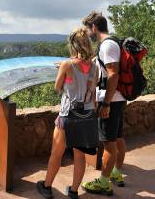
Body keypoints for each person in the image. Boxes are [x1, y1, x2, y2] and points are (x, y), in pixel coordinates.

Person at [37, 27, 99, 199]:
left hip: (68, 115)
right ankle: (73, 191)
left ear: (74, 46)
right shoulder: (95, 68)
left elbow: (57, 88)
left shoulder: (67, 65)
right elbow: (92, 92)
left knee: (56, 153)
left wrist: (62, 70)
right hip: (87, 115)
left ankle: (47, 187)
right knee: (79, 156)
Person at [81, 12, 127, 196]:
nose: (88, 34)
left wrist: (106, 103)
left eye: (88, 30)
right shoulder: (112, 42)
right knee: (118, 137)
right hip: (119, 98)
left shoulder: (107, 45)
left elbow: (113, 73)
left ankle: (104, 183)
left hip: (111, 100)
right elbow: (105, 67)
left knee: (108, 143)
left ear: (94, 27)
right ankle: (116, 173)